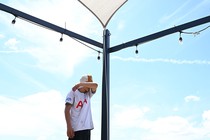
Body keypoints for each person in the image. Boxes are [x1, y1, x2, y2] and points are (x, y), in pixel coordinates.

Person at [64, 75, 98, 140]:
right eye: (88, 83)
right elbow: (67, 110)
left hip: (86, 128)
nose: (89, 86)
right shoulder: (72, 93)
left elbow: (96, 85)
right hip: (75, 128)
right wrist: (69, 127)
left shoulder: (88, 94)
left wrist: (80, 84)